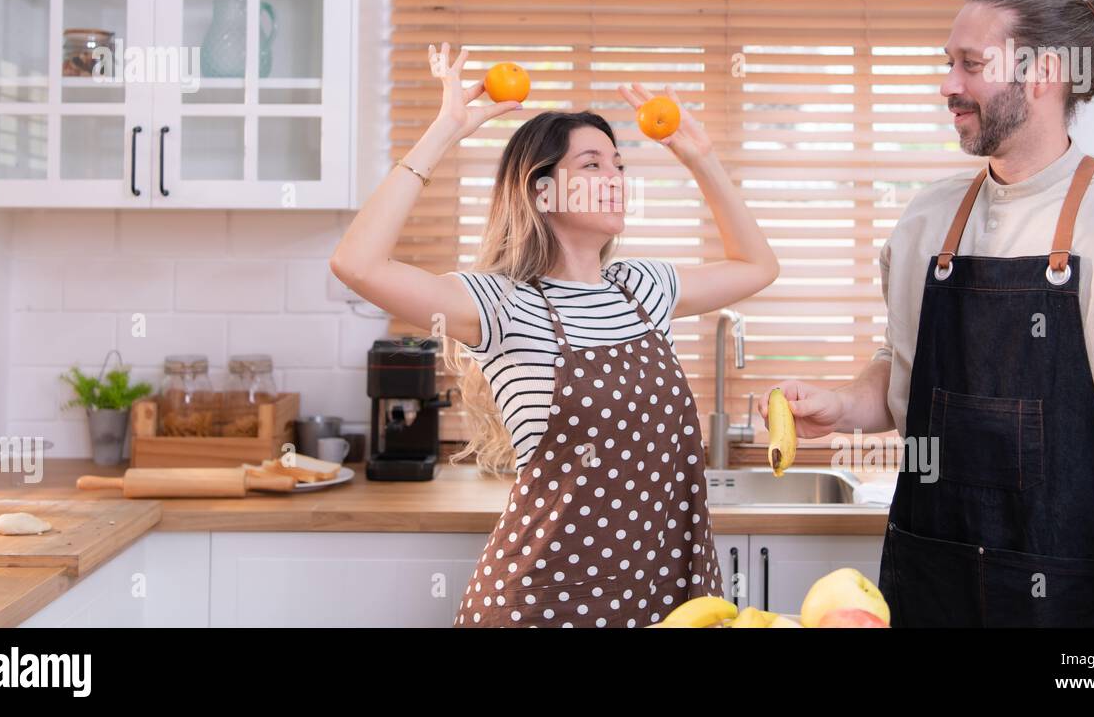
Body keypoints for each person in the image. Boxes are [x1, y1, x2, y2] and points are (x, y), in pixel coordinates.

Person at [760, 0, 1094, 627]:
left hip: (1078, 596)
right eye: (948, 64)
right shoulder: (929, 219)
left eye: (970, 65)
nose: (948, 85)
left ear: (1043, 73)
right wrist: (842, 405)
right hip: (928, 586)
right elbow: (901, 370)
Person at [330, 42, 779, 627]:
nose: (615, 177)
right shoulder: (503, 303)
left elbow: (757, 267)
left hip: (666, 601)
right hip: (542, 604)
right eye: (592, 165)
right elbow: (357, 263)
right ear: (541, 192)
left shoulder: (642, 289)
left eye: (620, 165)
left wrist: (701, 159)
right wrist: (445, 130)